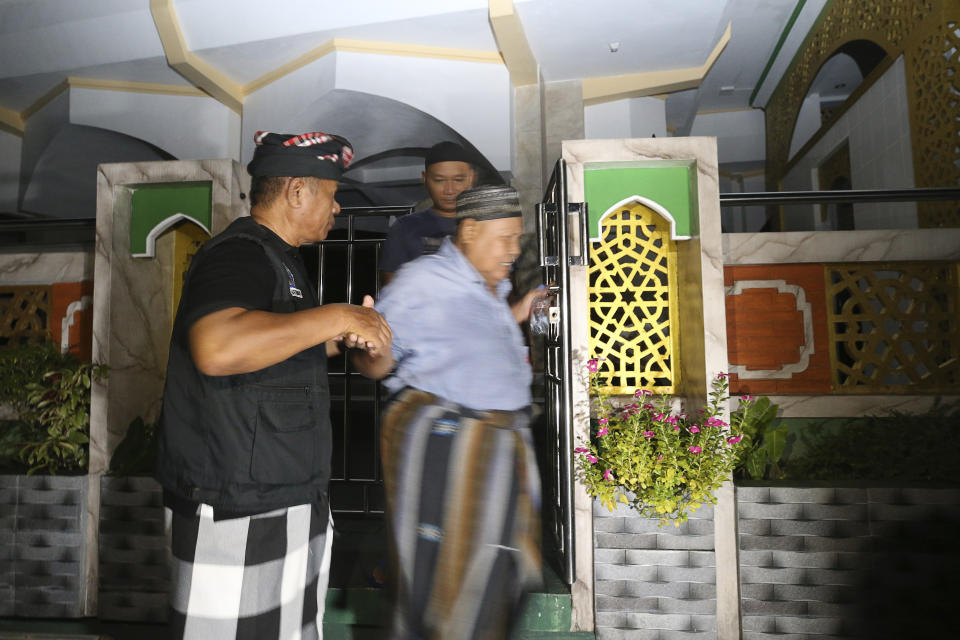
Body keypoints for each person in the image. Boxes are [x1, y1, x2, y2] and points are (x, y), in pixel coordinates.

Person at [155, 130, 391, 640]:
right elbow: (218, 347)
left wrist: (344, 338)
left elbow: (276, 349)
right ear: (298, 192)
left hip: (281, 495)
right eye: (332, 194)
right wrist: (336, 315)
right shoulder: (238, 253)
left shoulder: (284, 261)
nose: (338, 208)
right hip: (238, 506)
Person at [353, 185, 548, 640]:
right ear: (470, 230)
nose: (513, 250)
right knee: (442, 596)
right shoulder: (422, 281)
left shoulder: (491, 291)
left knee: (494, 584)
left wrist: (519, 310)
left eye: (518, 239)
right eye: (504, 238)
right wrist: (368, 347)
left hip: (498, 459)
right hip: (451, 463)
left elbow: (468, 342)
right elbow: (377, 362)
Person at [378, 141, 477, 284]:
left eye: (458, 180)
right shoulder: (404, 229)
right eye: (439, 180)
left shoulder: (485, 226)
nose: (449, 190)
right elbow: (392, 292)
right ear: (425, 179)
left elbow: (506, 291)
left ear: (471, 179)